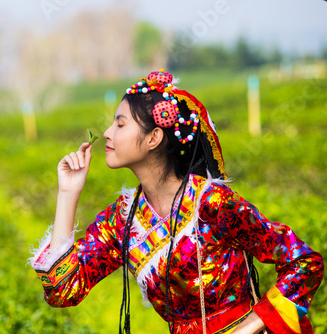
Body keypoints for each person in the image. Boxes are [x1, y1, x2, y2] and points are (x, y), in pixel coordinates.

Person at [28, 69, 324, 334]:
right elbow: (63, 292)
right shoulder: (123, 219)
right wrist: (68, 194)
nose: (107, 133)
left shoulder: (212, 203)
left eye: (120, 124)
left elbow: (305, 262)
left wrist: (250, 327)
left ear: (154, 137)